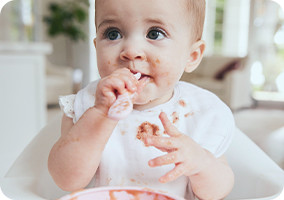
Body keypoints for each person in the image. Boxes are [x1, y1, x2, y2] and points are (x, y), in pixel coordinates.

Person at [48, 0, 235, 199]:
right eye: (113, 34)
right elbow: (66, 180)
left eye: (155, 33)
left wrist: (201, 164)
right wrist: (100, 114)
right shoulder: (87, 104)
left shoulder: (200, 111)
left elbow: (219, 191)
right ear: (96, 47)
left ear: (192, 55)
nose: (131, 50)